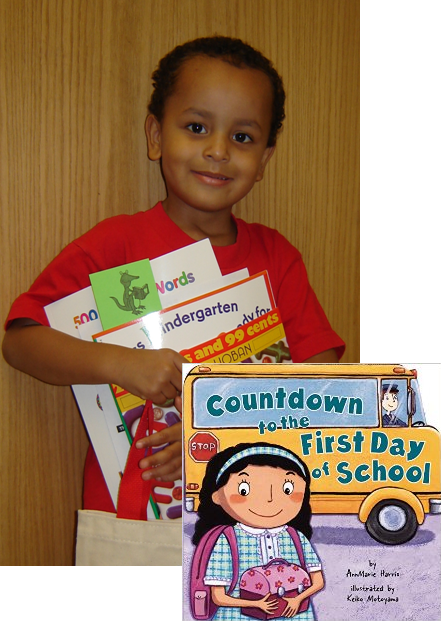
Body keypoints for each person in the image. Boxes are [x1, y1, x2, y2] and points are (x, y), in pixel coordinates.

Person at [2, 36, 344, 512]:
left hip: (249, 513)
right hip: (131, 519)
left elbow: (323, 386)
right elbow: (21, 341)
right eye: (197, 126)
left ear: (264, 159)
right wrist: (122, 365)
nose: (219, 150)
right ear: (157, 136)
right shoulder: (116, 247)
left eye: (242, 137)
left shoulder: (276, 258)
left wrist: (219, 436)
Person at [191, 441, 324, 620]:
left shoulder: (296, 537)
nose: (269, 499)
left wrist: (297, 600)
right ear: (217, 496)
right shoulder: (228, 540)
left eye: (287, 489)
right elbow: (218, 596)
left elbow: (318, 581)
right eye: (244, 489)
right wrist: (256, 604)